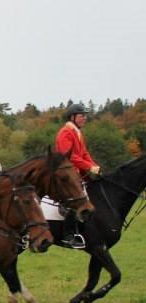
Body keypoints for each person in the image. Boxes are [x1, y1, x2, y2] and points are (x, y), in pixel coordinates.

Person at [55, 103, 100, 248]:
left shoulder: (78, 133)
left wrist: (94, 167)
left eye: (85, 116)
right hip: (66, 174)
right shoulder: (65, 132)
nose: (84, 118)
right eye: (82, 116)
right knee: (74, 201)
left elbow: (84, 154)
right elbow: (71, 157)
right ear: (72, 117)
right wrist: (88, 167)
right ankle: (68, 236)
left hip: (77, 173)